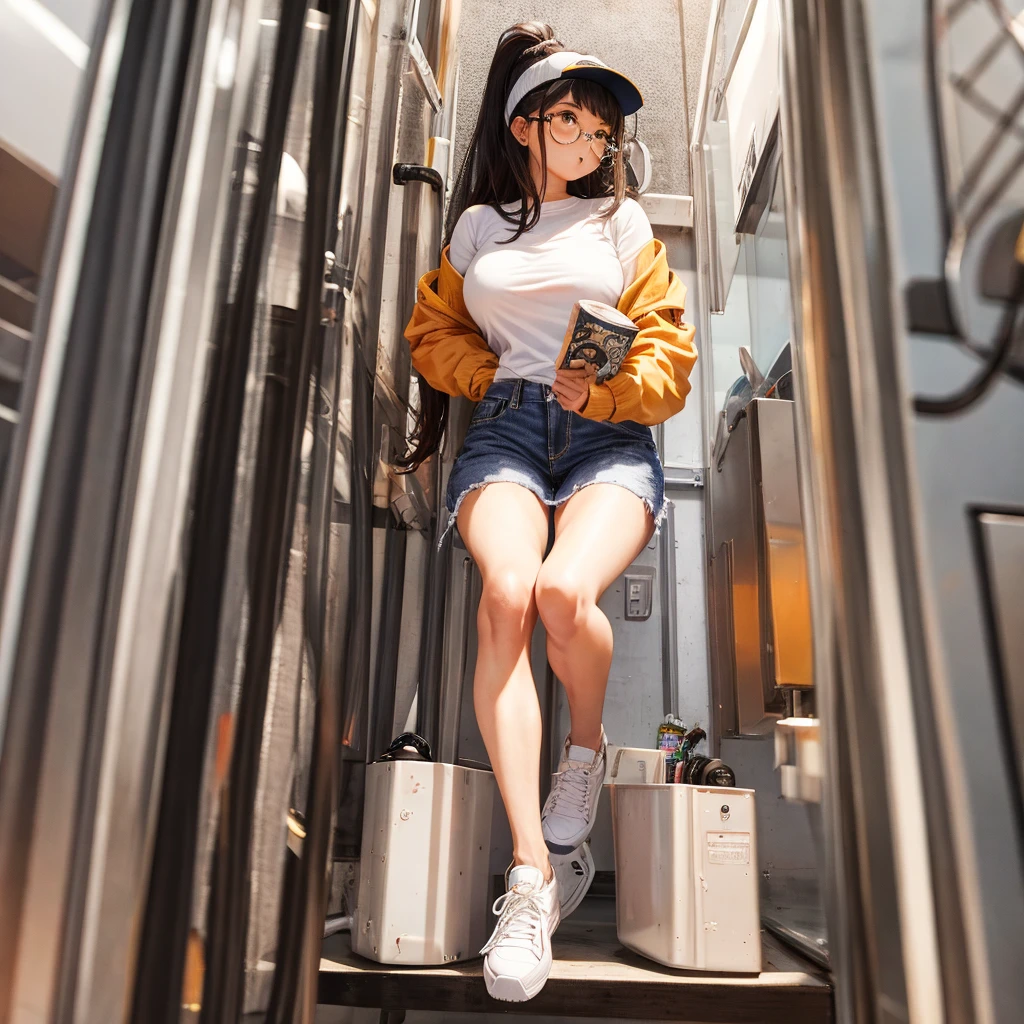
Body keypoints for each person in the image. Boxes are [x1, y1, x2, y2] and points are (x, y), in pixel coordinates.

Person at [401, 22, 697, 1002]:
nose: (596, 139)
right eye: (578, 120)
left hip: (606, 435)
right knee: (507, 595)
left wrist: (605, 394)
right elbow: (431, 329)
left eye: (605, 128)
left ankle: (583, 753)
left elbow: (669, 357)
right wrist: (490, 375)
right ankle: (531, 872)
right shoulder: (479, 225)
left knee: (567, 592)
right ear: (528, 124)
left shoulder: (623, 227)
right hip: (508, 430)